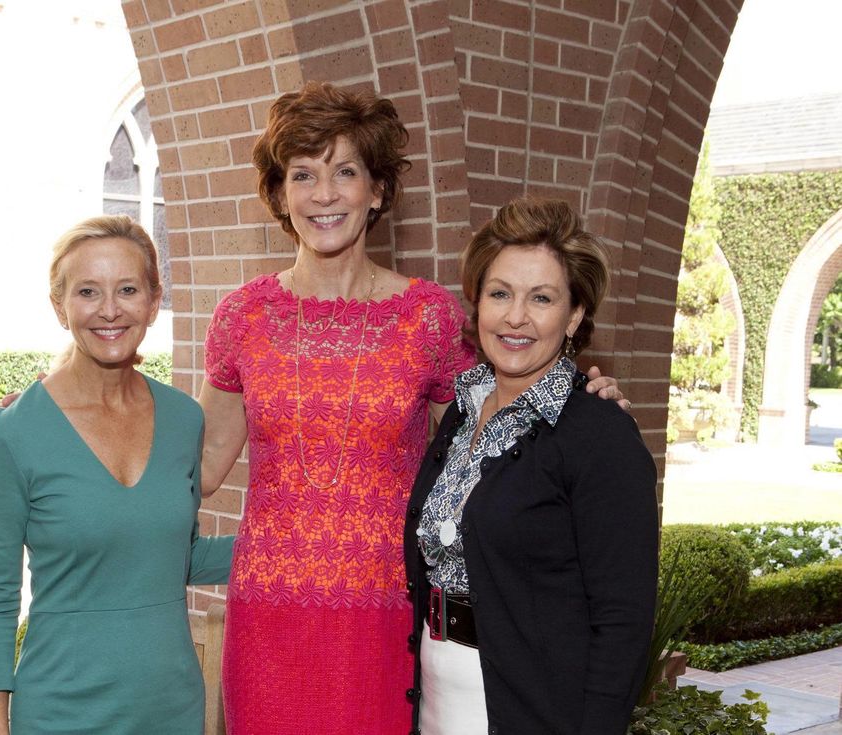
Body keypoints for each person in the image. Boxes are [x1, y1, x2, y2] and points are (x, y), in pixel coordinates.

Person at [201, 82, 628, 733]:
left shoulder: (429, 317)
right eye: (303, 174)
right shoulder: (242, 317)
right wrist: (91, 412)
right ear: (280, 194)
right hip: (270, 621)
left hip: (387, 618)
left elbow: (500, 426)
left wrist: (583, 404)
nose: (324, 194)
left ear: (377, 190)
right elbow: (199, 464)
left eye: (346, 172)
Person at [0, 215, 233, 735]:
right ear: (59, 306)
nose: (109, 309)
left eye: (128, 289)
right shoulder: (12, 432)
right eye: (88, 291)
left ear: (153, 302)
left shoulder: (184, 419)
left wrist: (298, 543)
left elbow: (175, 556)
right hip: (59, 712)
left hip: (172, 708)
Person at [403, 198, 659, 735]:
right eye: (500, 293)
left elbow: (623, 621)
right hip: (436, 696)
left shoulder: (599, 434)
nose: (515, 317)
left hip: (534, 711)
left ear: (574, 315)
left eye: (541, 298)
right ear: (478, 303)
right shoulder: (460, 412)